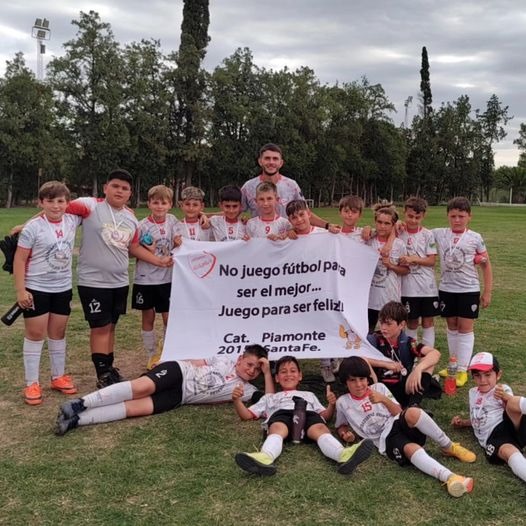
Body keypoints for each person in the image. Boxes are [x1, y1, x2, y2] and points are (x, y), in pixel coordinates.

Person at [66, 169, 173, 388]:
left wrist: (159, 261)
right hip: (93, 282)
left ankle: (109, 368)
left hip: (119, 281)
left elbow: (133, 247)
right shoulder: (89, 205)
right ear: (106, 188)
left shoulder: (131, 218)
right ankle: (102, 373)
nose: (119, 191)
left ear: (130, 193)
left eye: (124, 188)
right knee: (100, 327)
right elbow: (55, 209)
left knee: (111, 326)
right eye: (115, 186)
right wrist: (26, 226)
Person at [55, 344, 273, 435]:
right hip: (179, 372)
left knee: (135, 409)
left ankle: (76, 421)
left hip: (181, 397)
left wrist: (266, 373)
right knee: (141, 387)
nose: (251, 370)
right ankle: (81, 403)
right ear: (240, 359)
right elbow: (196, 362)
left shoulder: (247, 390)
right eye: (249, 364)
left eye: (257, 369)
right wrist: (167, 363)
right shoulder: (224, 359)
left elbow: (270, 400)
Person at [336, 356, 476, 497]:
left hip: (397, 422)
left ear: (368, 378)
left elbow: (398, 412)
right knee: (411, 448)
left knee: (413, 412)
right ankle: (450, 477)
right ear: (345, 382)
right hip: (385, 438)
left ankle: (449, 446)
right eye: (352, 380)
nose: (358, 384)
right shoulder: (342, 402)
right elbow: (341, 426)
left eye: (362, 379)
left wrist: (383, 399)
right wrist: (345, 434)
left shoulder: (379, 388)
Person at [233, 356, 374, 476]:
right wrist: (237, 400)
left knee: (320, 427)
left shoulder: (309, 395)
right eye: (283, 372)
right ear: (276, 378)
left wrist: (331, 405)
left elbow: (324, 416)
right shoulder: (270, 397)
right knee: (277, 427)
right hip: (282, 415)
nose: (288, 374)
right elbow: (247, 415)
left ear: (300, 375)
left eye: (293, 371)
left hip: (307, 413)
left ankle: (342, 455)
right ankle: (265, 457)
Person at [13, 181, 82, 405]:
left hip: (62, 287)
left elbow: (96, 205)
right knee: (35, 334)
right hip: (36, 288)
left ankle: (58, 376)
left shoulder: (72, 220)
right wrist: (21, 290)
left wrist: (124, 208)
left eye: (60, 201)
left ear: (67, 203)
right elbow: (20, 260)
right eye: (50, 201)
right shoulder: (33, 227)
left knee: (58, 333)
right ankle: (31, 383)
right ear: (41, 202)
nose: (55, 206)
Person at [433, 197, 493, 387]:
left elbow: (486, 265)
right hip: (447, 289)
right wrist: (400, 224)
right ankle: (453, 366)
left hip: (468, 289)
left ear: (469, 217)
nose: (457, 220)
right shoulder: (440, 234)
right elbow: (417, 230)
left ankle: (462, 369)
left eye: (461, 216)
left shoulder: (475, 237)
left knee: (465, 327)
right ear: (447, 216)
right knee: (452, 326)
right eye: (453, 216)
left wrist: (487, 291)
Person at [451, 352, 526, 483]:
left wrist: (504, 397)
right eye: (477, 376)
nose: (483, 380)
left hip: (511, 425)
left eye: (487, 375)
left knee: (512, 402)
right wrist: (463, 423)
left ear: (498, 375)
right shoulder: (472, 393)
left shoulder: (501, 389)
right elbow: (478, 418)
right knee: (508, 451)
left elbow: (512, 408)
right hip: (494, 437)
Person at [132, 185, 179, 370]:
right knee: (148, 317)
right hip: (146, 279)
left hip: (168, 279)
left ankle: (167, 352)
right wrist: (147, 250)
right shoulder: (141, 225)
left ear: (170, 205)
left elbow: (181, 238)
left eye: (164, 203)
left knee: (169, 318)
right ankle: (151, 354)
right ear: (149, 203)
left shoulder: (173, 221)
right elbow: (132, 251)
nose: (160, 206)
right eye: (156, 202)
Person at [241, 143, 334, 229]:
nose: (271, 162)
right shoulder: (248, 187)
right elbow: (234, 211)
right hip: (259, 239)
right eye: (267, 158)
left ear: (281, 163)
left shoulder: (292, 186)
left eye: (275, 159)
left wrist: (327, 225)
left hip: (287, 238)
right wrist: (242, 221)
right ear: (260, 161)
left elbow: (306, 213)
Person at [366, 301, 441, 408]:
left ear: (401, 325)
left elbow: (435, 353)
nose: (383, 327)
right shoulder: (374, 339)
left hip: (403, 386)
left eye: (388, 324)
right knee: (363, 363)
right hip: (379, 386)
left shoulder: (408, 342)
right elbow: (358, 357)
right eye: (381, 323)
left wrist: (418, 369)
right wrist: (385, 364)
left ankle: (414, 404)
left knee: (428, 364)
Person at [398, 197, 439, 347]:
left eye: (417, 217)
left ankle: (428, 357)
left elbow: (431, 261)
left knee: (428, 322)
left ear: (423, 216)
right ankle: (411, 356)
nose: (413, 220)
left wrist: (414, 259)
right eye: (410, 216)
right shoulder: (399, 232)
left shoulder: (428, 234)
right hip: (408, 288)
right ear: (404, 213)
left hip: (427, 288)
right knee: (412, 322)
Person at [367, 205, 409, 333]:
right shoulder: (368, 241)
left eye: (387, 223)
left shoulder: (399, 244)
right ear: (375, 222)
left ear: (393, 225)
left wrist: (391, 265)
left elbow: (406, 270)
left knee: (390, 335)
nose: (382, 226)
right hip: (369, 299)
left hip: (390, 299)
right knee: (367, 334)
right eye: (379, 222)